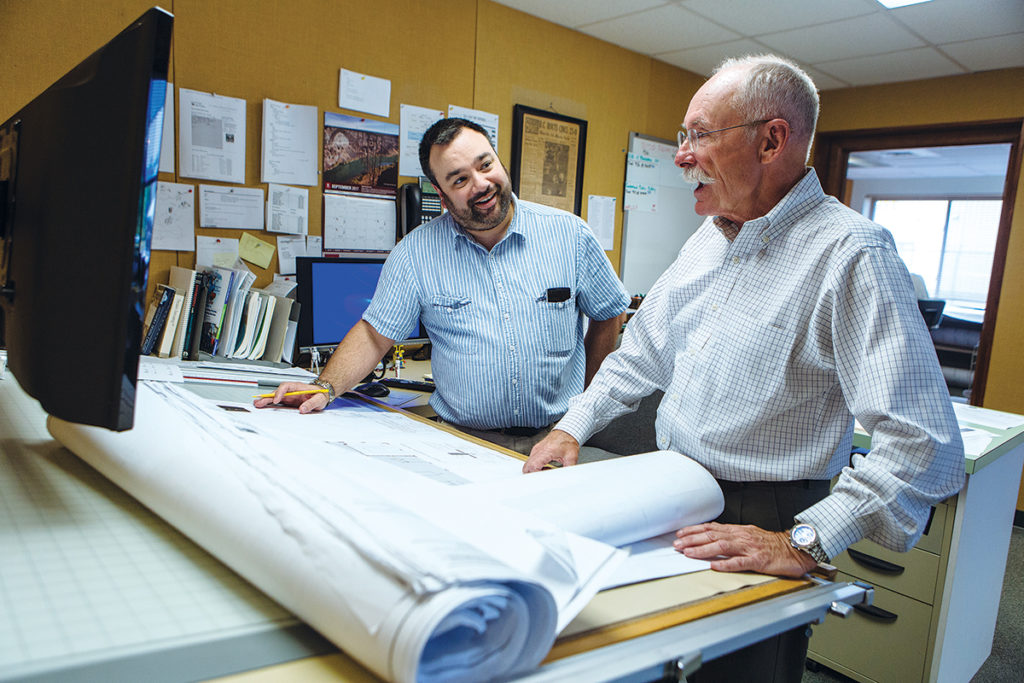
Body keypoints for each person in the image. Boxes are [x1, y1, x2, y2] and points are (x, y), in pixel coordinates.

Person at [523, 55, 964, 681]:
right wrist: (573, 427)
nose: (682, 155)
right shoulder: (708, 237)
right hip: (674, 492)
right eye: (683, 136)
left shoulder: (851, 256)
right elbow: (641, 354)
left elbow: (925, 444)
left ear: (772, 140)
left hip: (768, 513)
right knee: (648, 661)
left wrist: (802, 543)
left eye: (699, 134)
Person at [255, 118, 630, 455]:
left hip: (555, 437)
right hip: (463, 442)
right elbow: (374, 334)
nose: (481, 184)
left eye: (486, 165)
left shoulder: (570, 235)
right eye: (460, 179)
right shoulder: (416, 253)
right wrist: (325, 387)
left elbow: (609, 312)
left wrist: (585, 408)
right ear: (441, 193)